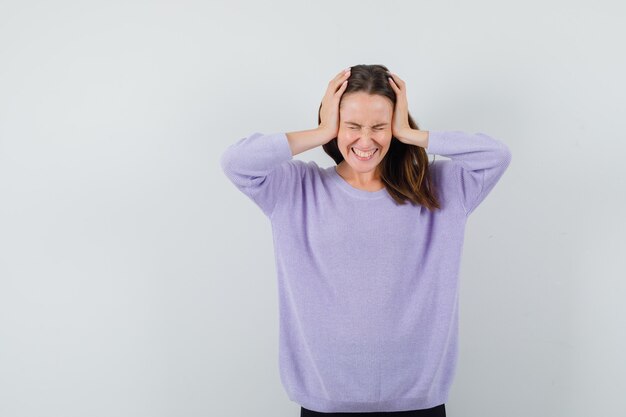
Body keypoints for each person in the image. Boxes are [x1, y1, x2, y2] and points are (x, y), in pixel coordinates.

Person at [220, 64, 512, 416]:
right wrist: (322, 130)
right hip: (324, 405)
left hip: (418, 403)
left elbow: (496, 156)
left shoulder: (439, 188)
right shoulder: (294, 189)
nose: (366, 140)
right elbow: (236, 161)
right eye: (352, 126)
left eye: (380, 126)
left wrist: (411, 133)